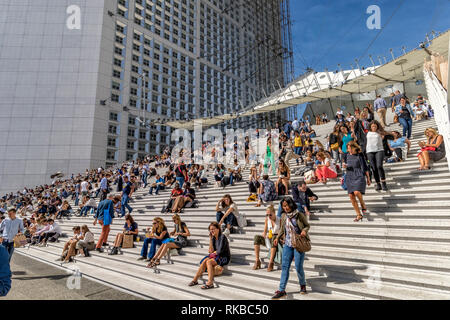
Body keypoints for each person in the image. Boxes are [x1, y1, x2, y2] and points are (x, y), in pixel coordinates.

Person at [272, 197, 310, 299]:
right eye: (284, 206)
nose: (286, 208)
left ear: (291, 204)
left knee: (298, 267)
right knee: (285, 267)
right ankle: (281, 290)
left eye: (287, 205)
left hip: (298, 244)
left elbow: (307, 225)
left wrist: (304, 231)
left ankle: (302, 284)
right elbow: (282, 228)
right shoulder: (284, 216)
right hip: (288, 244)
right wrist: (278, 237)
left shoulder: (299, 214)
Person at [188, 222, 230, 289]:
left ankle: (210, 282)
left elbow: (220, 251)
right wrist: (210, 239)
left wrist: (214, 253)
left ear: (218, 229)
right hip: (216, 256)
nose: (211, 231)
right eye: (210, 229)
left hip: (223, 257)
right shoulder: (213, 238)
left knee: (209, 262)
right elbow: (210, 251)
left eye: (213, 229)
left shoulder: (222, 237)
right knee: (205, 260)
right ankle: (195, 280)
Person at [344, 141, 371, 222]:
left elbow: (365, 167)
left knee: (356, 192)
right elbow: (346, 165)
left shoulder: (360, 155)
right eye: (348, 149)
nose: (349, 150)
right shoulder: (347, 155)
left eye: (351, 148)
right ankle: (358, 214)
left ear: (354, 148)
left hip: (359, 174)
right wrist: (345, 166)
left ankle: (362, 203)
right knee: (351, 196)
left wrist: (368, 178)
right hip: (350, 176)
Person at [253, 205, 280, 272]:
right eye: (267, 215)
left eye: (270, 215)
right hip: (270, 238)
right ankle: (257, 261)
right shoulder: (267, 220)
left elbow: (283, 232)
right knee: (256, 238)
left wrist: (277, 236)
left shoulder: (279, 220)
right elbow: (265, 231)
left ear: (274, 213)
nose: (269, 216)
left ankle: (271, 263)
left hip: (278, 239)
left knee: (274, 237)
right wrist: (265, 235)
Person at [366, 121, 389, 191]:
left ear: (377, 126)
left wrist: (384, 136)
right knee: (374, 168)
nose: (374, 127)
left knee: (379, 166)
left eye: (375, 126)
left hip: (379, 150)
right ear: (370, 127)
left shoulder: (380, 132)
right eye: (372, 126)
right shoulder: (367, 133)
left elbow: (388, 135)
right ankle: (378, 184)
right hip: (369, 151)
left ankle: (384, 183)